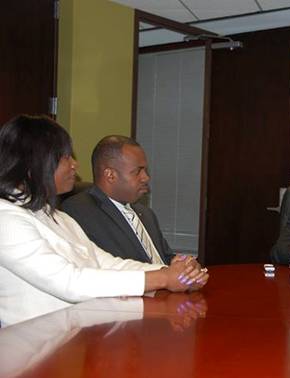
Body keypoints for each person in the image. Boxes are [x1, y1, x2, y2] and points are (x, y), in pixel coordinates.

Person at [0, 115, 208, 326]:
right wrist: (164, 279)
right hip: (29, 349)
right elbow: (70, 282)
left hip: (69, 340)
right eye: (65, 157)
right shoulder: (6, 220)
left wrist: (176, 273)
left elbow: (105, 263)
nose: (75, 165)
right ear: (34, 163)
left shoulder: (57, 216)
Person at [62, 136, 173, 264]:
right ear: (110, 175)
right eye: (138, 171)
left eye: (145, 170)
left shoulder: (147, 214)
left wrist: (183, 264)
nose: (146, 178)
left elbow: (166, 258)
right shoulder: (80, 211)